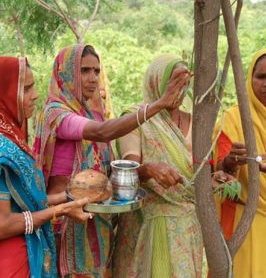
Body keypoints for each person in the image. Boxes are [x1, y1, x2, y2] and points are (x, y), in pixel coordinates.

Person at [33, 45, 188, 277]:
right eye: (84, 71)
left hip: (95, 222)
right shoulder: (57, 113)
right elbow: (101, 132)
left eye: (96, 71)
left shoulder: (92, 113)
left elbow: (106, 167)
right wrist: (157, 105)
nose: (93, 78)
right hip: (65, 225)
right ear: (64, 73)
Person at [113, 54, 232, 278]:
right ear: (156, 81)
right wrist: (148, 170)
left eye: (185, 83)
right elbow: (129, 166)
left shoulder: (198, 121)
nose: (180, 90)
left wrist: (215, 180)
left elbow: (200, 172)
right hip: (149, 224)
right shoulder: (136, 118)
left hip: (188, 228)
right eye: (174, 83)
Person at [0, 56, 93, 277]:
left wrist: (67, 198)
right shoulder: (2, 150)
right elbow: (2, 224)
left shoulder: (13, 137)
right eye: (26, 88)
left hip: (27, 253)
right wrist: (58, 211)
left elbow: (22, 203)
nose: (35, 95)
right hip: (12, 261)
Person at [215, 48, 266, 277]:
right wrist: (232, 162)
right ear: (250, 79)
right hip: (244, 219)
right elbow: (220, 168)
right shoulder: (233, 118)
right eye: (261, 76)